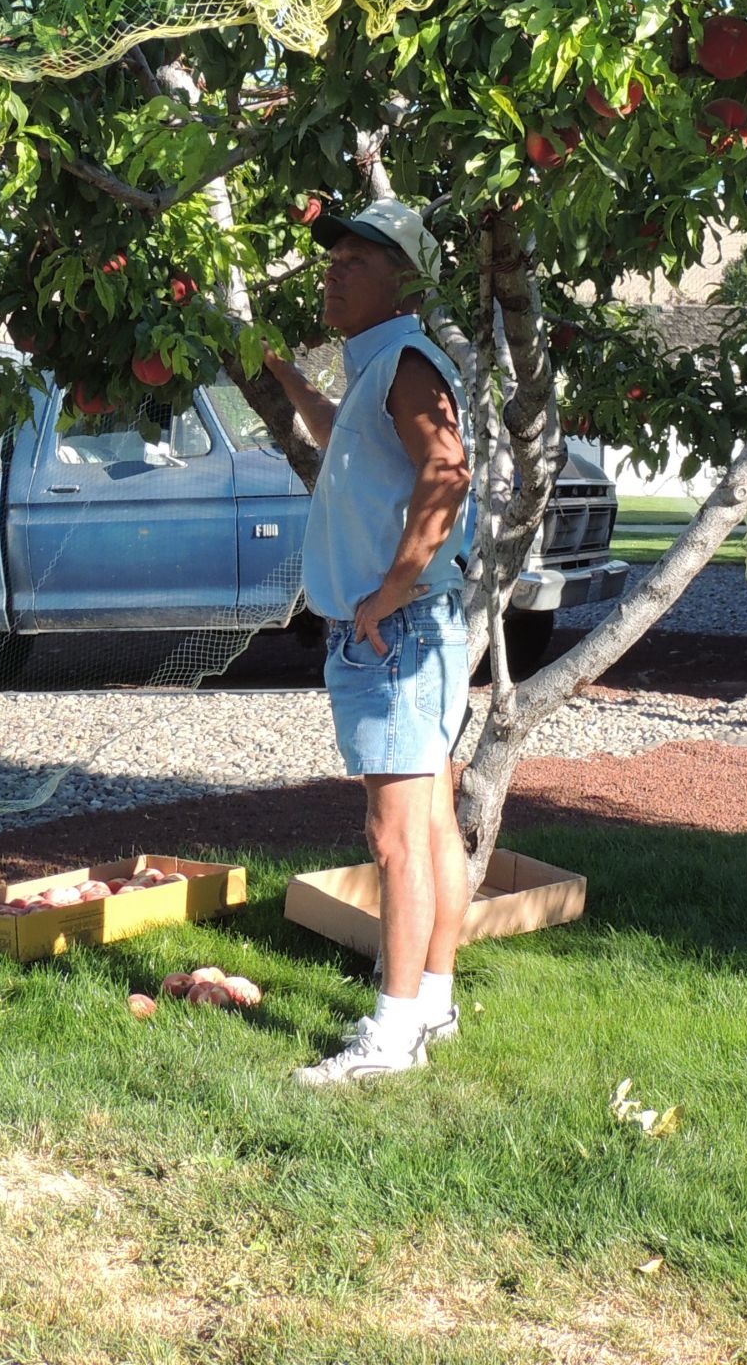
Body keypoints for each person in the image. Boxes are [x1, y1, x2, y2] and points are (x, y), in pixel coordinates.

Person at [267, 197, 477, 1086]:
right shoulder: (379, 368)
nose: (335, 268)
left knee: (394, 840)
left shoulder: (405, 360)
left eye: (359, 256)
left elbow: (446, 469)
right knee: (428, 827)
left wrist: (391, 588)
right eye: (334, 255)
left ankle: (390, 1037)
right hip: (409, 630)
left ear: (407, 279)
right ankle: (432, 1003)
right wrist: (277, 373)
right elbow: (349, 446)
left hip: (395, 634)